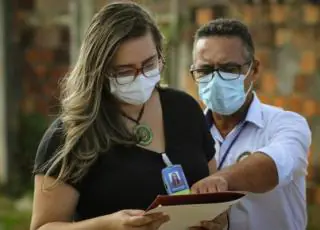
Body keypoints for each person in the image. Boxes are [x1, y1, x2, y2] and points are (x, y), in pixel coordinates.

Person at [30, 2, 219, 230]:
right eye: (125, 71)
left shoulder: (184, 109)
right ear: (99, 70)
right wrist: (107, 226)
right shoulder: (71, 134)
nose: (140, 77)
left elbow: (212, 193)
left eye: (149, 64)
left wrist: (217, 220)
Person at [190, 18, 312, 230]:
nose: (216, 79)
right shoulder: (187, 132)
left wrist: (217, 181)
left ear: (254, 70)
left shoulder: (286, 124)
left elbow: (274, 166)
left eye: (229, 68)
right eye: (206, 70)